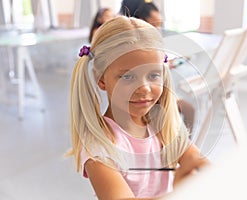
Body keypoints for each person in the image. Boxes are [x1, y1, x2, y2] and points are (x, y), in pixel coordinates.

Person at [68, 16, 209, 199]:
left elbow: (195, 160)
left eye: (153, 75)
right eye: (128, 77)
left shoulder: (161, 123)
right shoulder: (99, 146)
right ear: (101, 79)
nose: (144, 88)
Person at [119, 0, 196, 132]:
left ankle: (180, 147)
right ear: (140, 21)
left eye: (160, 25)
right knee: (183, 111)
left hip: (156, 94)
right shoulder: (132, 44)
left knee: (188, 110)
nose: (158, 30)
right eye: (154, 25)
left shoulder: (150, 43)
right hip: (146, 98)